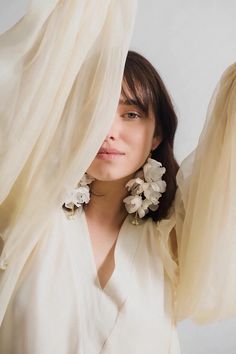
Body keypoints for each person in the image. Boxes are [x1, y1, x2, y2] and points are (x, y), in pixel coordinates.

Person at [1, 2, 236, 354]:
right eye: (94, 110)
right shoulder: (25, 214)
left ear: (156, 135)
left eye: (130, 113)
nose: (108, 131)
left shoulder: (174, 239)